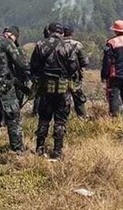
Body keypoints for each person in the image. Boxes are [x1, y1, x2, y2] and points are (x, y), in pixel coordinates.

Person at [31, 22, 78, 159]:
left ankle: (39, 149)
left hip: (45, 87)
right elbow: (74, 67)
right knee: (60, 121)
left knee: (44, 119)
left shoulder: (40, 45)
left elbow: (34, 66)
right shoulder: (69, 46)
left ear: (49, 31)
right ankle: (57, 152)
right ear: (62, 33)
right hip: (63, 88)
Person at [0, 26, 30, 155]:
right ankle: (18, 151)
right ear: (12, 35)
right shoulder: (6, 43)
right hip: (4, 86)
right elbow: (20, 62)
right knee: (13, 118)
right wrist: (33, 70)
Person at [101, 20, 123, 122]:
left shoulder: (111, 42)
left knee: (113, 96)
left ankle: (114, 118)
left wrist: (104, 74)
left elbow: (107, 61)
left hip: (114, 75)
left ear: (115, 31)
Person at [63, 24, 89, 118]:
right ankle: (82, 118)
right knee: (79, 99)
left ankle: (64, 120)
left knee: (63, 99)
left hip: (60, 77)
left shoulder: (57, 44)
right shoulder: (77, 45)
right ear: (72, 33)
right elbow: (85, 62)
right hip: (74, 77)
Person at [31, 25, 51, 116]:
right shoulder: (60, 44)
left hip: (41, 75)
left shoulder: (40, 44)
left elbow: (33, 61)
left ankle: (35, 112)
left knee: (39, 95)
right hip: (53, 75)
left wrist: (34, 74)